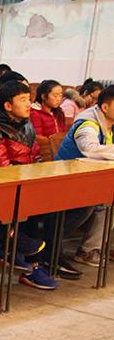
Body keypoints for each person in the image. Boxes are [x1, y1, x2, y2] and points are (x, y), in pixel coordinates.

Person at [0, 81, 57, 290]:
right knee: (28, 206)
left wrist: (38, 175)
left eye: (29, 99)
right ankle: (26, 261)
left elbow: (36, 155)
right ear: (7, 105)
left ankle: (33, 264)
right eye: (22, 100)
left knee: (46, 206)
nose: (28, 104)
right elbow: (2, 168)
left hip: (25, 183)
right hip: (2, 187)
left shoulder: (27, 124)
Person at [56, 86, 114, 267]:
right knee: (101, 204)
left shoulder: (109, 124)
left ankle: (92, 248)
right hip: (65, 180)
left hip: (89, 180)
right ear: (105, 107)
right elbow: (90, 149)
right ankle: (86, 251)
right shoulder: (88, 124)